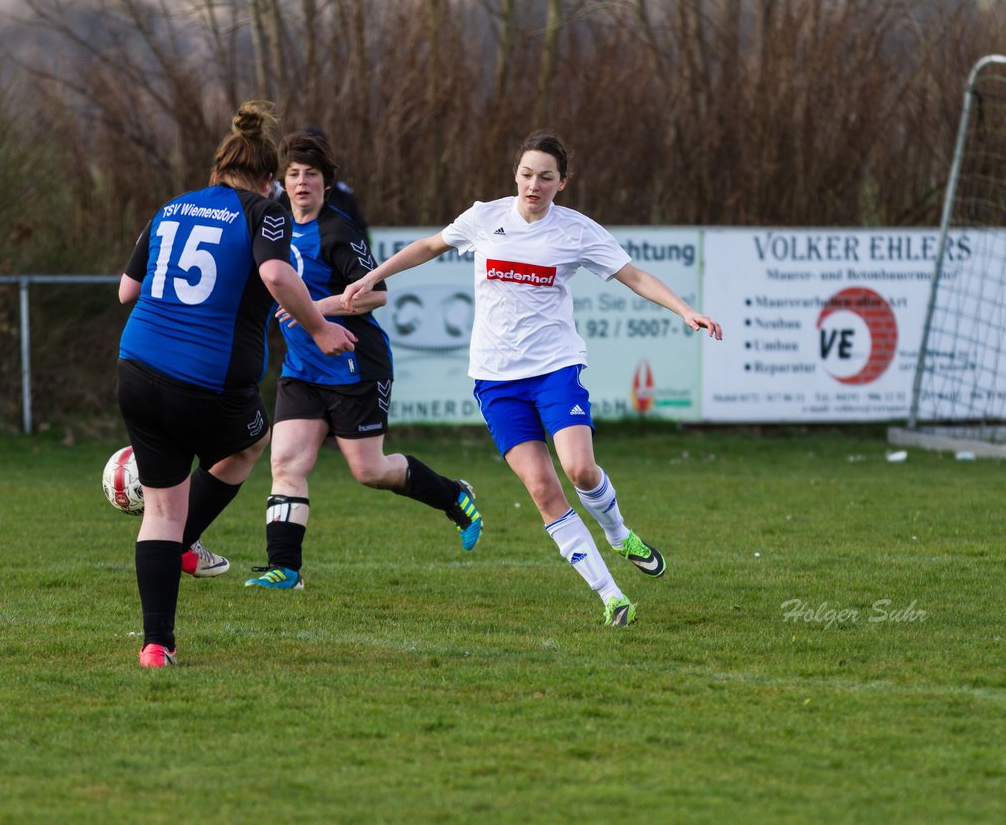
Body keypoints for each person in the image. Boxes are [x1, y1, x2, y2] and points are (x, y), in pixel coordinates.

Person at [341, 131, 723, 626]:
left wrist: (684, 309)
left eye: (545, 177)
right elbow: (429, 246)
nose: (533, 185)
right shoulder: (485, 217)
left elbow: (634, 276)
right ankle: (611, 597)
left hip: (554, 369)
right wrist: (372, 276)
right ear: (515, 175)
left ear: (562, 183)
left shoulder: (577, 231)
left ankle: (619, 533)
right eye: (526, 174)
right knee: (543, 489)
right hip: (496, 381)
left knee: (580, 470)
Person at [116, 100, 357, 667]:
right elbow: (276, 273)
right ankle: (182, 547)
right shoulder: (262, 211)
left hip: (135, 368)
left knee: (161, 511)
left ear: (216, 171)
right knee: (252, 442)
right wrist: (321, 328)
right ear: (269, 180)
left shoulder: (171, 206)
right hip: (206, 381)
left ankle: (157, 644)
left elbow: (126, 292)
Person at [246, 129, 482, 591]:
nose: (300, 183)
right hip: (302, 368)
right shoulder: (272, 223)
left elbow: (377, 294)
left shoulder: (337, 230)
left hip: (356, 365)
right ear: (281, 181)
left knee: (369, 471)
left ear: (326, 183)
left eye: (310, 175)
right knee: (287, 464)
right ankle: (285, 568)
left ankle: (455, 496)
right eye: (293, 174)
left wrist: (323, 308)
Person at [274, 126, 369, 241]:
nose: (302, 181)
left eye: (311, 173)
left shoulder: (342, 203)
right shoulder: (280, 205)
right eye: (294, 174)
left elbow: (361, 233)